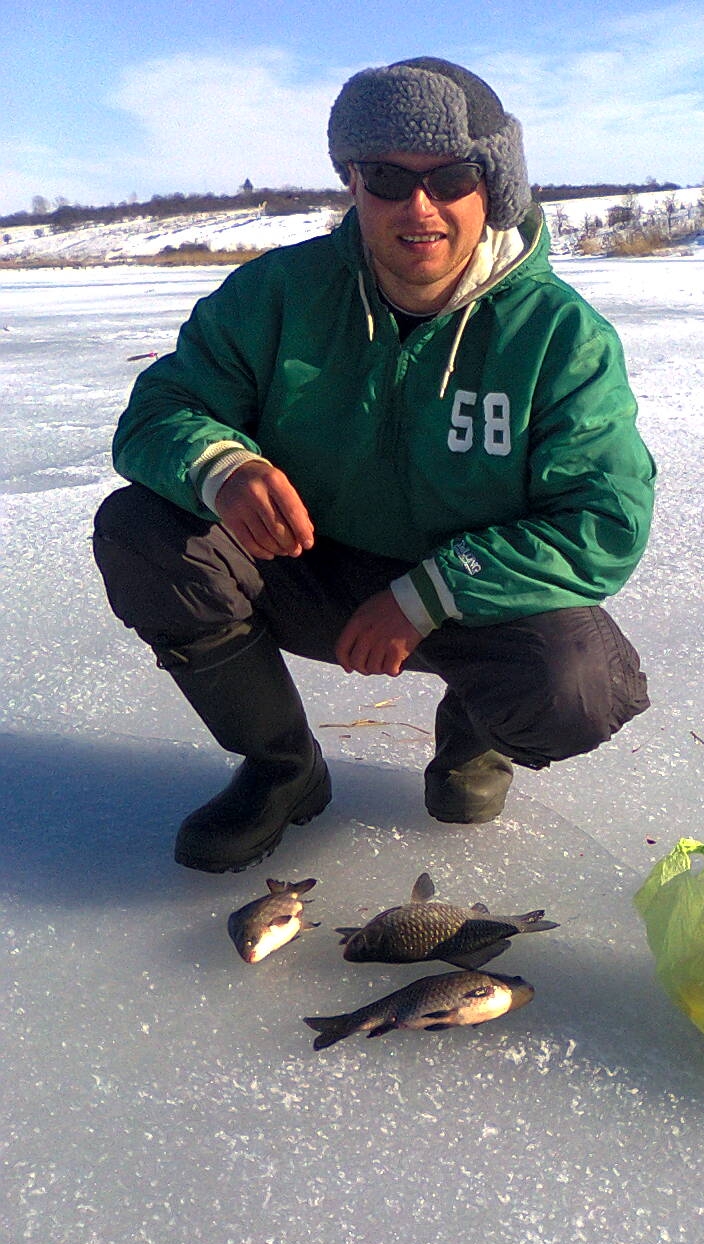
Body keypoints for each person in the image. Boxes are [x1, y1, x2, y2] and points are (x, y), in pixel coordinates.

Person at [92, 56, 656, 874]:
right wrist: (221, 467)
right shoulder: (279, 293)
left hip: (468, 596)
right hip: (305, 569)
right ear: (353, 183)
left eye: (450, 177)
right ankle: (283, 769)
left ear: (491, 187)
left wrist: (427, 595)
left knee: (578, 687)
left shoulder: (560, 337)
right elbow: (159, 411)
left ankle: (475, 735)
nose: (417, 206)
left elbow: (603, 523)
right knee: (142, 529)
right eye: (387, 177)